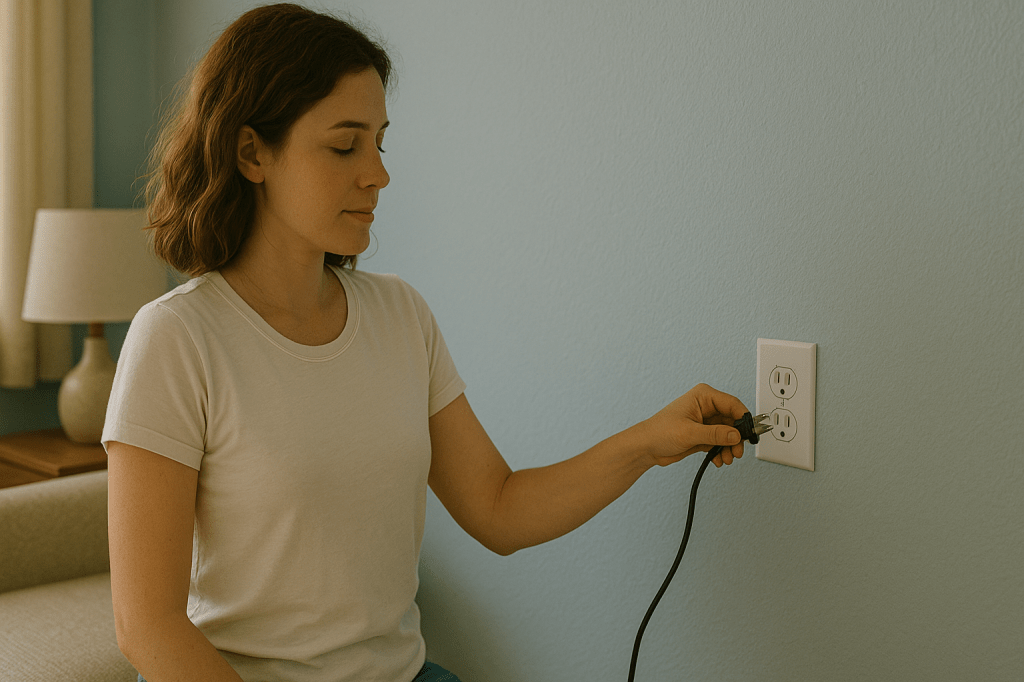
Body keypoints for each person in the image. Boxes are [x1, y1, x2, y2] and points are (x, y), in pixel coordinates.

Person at [103, 4, 750, 682]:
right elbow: (146, 625)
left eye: (380, 142)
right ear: (251, 152)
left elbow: (498, 507)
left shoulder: (400, 316)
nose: (377, 174)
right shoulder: (178, 339)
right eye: (344, 144)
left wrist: (648, 441)